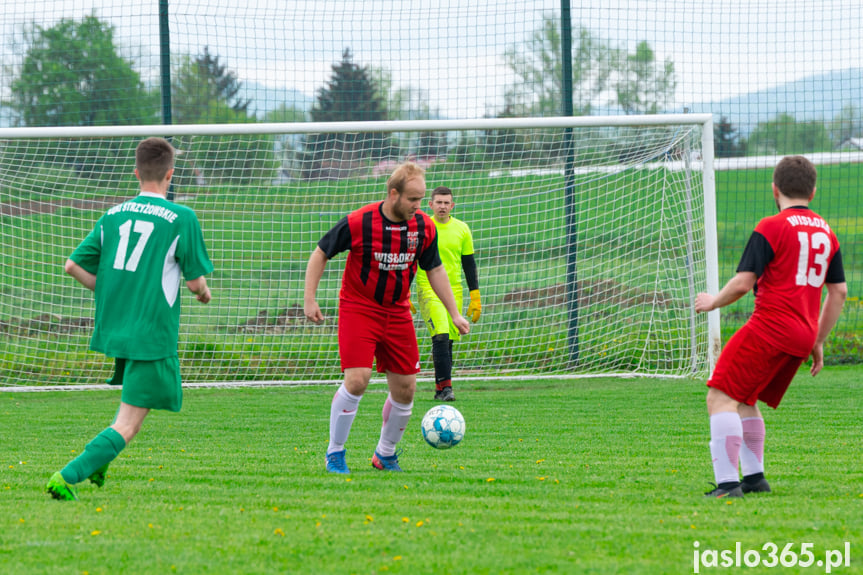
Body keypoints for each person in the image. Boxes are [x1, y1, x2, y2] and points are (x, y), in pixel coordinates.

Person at [46, 137, 214, 501]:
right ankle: (67, 475)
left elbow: (72, 265)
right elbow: (194, 282)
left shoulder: (112, 216)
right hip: (151, 333)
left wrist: (111, 293)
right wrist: (203, 293)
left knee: (131, 413)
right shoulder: (182, 217)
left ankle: (98, 465)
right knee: (128, 423)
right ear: (170, 175)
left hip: (120, 330)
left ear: (136, 173)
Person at [694, 155, 846, 498]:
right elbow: (838, 292)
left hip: (770, 327)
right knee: (745, 399)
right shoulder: (827, 232)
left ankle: (728, 485)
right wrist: (818, 341)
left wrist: (712, 301)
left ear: (774, 189)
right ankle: (754, 478)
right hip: (802, 334)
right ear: (814, 191)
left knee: (719, 396)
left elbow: (743, 283)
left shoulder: (771, 226)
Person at [304, 162, 470, 474]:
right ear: (393, 194)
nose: (418, 206)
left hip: (398, 311)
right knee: (357, 380)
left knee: (406, 387)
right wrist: (309, 299)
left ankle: (385, 453)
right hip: (359, 308)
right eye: (412, 200)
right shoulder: (359, 221)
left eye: (421, 200)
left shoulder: (424, 227)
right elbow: (321, 252)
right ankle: (335, 452)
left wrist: (454, 313)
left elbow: (434, 269)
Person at [412, 186, 481, 401]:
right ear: (430, 205)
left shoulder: (462, 229)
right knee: (440, 333)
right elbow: (411, 260)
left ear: (452, 205)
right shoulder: (423, 227)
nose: (442, 206)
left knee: (448, 340)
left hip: (454, 292)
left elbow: (469, 265)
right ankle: (447, 389)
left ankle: (440, 389)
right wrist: (404, 293)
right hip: (428, 289)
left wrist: (475, 296)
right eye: (438, 202)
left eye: (446, 202)